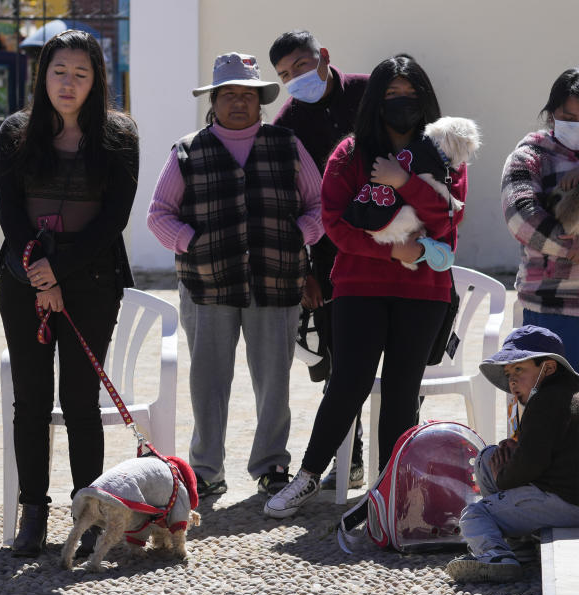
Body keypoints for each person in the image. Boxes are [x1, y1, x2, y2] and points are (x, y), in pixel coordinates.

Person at [264, 56, 466, 519]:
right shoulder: (350, 153)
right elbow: (334, 225)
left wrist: (406, 182)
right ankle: (308, 476)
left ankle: (391, 491)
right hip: (359, 286)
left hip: (423, 293)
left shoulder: (444, 152)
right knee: (347, 383)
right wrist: (391, 252)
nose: (401, 104)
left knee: (401, 391)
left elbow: (450, 217)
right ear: (375, 101)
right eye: (391, 95)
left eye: (410, 95)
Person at [147, 52, 323, 499]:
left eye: (248, 95)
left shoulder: (287, 145)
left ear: (260, 100)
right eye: (229, 95)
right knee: (208, 382)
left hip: (276, 281)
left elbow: (319, 205)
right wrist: (193, 244)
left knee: (274, 382)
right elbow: (159, 215)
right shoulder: (187, 150)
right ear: (214, 101)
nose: (239, 103)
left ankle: (270, 465)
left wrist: (297, 235)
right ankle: (205, 469)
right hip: (208, 286)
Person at [0, 29, 138, 557]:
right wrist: (40, 272)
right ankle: (34, 510)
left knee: (80, 400)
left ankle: (92, 510)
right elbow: (10, 215)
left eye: (81, 73)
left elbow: (113, 220)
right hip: (23, 277)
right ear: (43, 76)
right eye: (59, 72)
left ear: (96, 79)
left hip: (93, 282)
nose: (69, 83)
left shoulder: (120, 136)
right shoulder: (14, 133)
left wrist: (60, 274)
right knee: (30, 400)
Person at [269, 30, 369, 490]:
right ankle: (350, 458)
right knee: (341, 363)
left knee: (402, 362)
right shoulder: (288, 122)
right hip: (331, 258)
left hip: (394, 245)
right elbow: (292, 202)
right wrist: (307, 271)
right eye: (285, 75)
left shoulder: (369, 92)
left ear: (324, 57)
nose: (295, 79)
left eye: (301, 67)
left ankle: (402, 456)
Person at [445, 326, 579, 582]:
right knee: (489, 457)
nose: (512, 381)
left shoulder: (545, 401)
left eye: (519, 370)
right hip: (567, 494)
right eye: (508, 374)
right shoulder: (568, 393)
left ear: (548, 369)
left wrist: (503, 476)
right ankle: (521, 547)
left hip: (567, 501)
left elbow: (530, 465)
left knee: (476, 514)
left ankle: (496, 556)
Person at [502, 68, 579, 367]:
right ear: (551, 116)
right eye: (569, 119)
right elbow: (520, 217)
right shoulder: (530, 156)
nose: (577, 125)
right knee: (552, 408)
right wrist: (570, 248)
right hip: (551, 310)